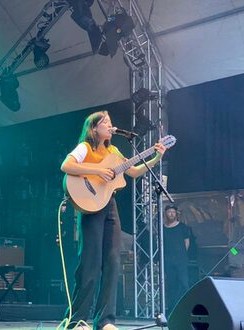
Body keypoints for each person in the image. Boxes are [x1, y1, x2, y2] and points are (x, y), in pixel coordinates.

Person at [60, 110, 166, 330]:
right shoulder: (85, 148)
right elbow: (66, 166)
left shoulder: (115, 150)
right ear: (94, 128)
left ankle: (105, 320)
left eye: (110, 122)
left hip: (109, 205)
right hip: (90, 206)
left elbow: (134, 171)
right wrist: (98, 170)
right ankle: (78, 320)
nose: (110, 125)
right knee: (90, 264)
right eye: (105, 123)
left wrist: (156, 157)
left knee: (112, 261)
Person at [163, 204, 190, 314]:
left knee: (184, 282)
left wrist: (182, 254)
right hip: (168, 259)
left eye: (173, 212)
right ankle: (172, 308)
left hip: (180, 259)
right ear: (166, 214)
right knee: (171, 284)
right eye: (169, 212)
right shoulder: (162, 228)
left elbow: (187, 241)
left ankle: (186, 305)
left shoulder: (183, 227)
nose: (171, 214)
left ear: (176, 214)